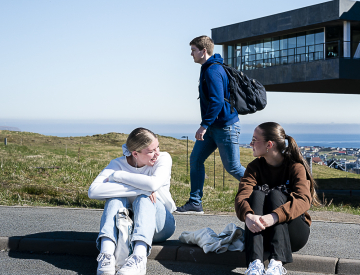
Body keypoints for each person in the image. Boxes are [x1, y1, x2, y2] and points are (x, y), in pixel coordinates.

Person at [88, 128, 176, 275]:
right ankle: (107, 255)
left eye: (157, 147)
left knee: (145, 198)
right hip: (129, 227)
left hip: (161, 226)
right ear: (135, 153)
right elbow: (93, 191)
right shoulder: (117, 163)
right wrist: (141, 189)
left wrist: (119, 176)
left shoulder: (163, 158)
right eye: (151, 151)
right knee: (115, 199)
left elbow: (153, 184)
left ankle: (139, 258)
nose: (157, 153)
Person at [235, 122, 320, 275]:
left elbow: (303, 200)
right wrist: (247, 216)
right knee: (256, 194)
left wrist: (273, 217)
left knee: (275, 194)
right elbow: (242, 195)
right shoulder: (254, 168)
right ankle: (255, 264)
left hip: (294, 234)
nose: (250, 144)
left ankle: (277, 264)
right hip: (262, 234)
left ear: (269, 144)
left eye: (254, 140)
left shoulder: (295, 167)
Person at [176, 35, 245, 214]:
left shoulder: (213, 70)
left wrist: (204, 125)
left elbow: (217, 101)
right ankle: (195, 202)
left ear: (203, 51)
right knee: (196, 159)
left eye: (193, 50)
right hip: (215, 126)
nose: (191, 54)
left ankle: (266, 191)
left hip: (224, 127)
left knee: (233, 167)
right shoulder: (208, 68)